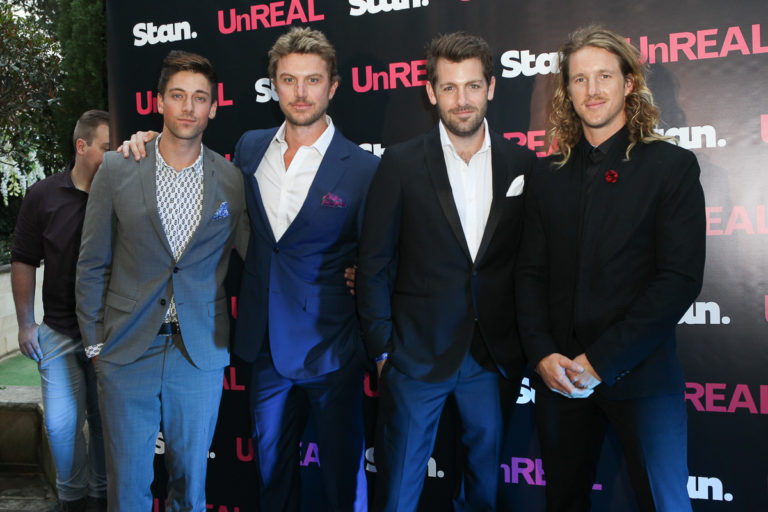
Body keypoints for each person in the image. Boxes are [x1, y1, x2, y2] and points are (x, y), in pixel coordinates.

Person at [119, 27, 375, 511]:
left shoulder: (363, 168)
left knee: (344, 485)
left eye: (313, 80)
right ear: (273, 86)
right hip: (264, 349)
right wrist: (149, 141)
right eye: (289, 80)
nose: (301, 92)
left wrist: (366, 272)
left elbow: (381, 252)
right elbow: (192, 164)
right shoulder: (250, 148)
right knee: (272, 481)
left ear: (333, 87)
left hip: (332, 350)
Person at [515, 26, 705, 511]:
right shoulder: (546, 175)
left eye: (604, 76)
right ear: (567, 91)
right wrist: (542, 354)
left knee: (665, 503)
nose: (592, 90)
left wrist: (601, 362)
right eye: (580, 79)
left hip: (642, 378)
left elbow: (679, 280)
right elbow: (530, 275)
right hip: (560, 378)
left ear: (629, 82)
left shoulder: (671, 167)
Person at [356, 32, 536, 511]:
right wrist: (382, 350)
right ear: (431, 92)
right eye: (450, 87)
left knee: (484, 489)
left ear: (491, 87)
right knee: (398, 490)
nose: (462, 100)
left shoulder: (521, 164)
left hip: (491, 358)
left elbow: (529, 265)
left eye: (473, 86)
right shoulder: (399, 163)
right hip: (414, 356)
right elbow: (374, 263)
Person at [76, 51, 247, 511]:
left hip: (199, 352)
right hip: (126, 349)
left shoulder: (231, 179)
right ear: (158, 102)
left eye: (200, 98)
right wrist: (95, 345)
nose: (189, 107)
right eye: (178, 95)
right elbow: (91, 264)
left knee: (191, 490)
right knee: (127, 489)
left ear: (214, 107)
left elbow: (258, 255)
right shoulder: (117, 168)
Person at [11, 110, 110, 512]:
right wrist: (25, 324)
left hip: (108, 333)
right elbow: (23, 259)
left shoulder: (120, 192)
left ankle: (101, 498)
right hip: (58, 331)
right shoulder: (43, 195)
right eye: (106, 147)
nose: (114, 155)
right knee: (60, 426)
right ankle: (71, 500)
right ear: (81, 147)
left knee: (104, 423)